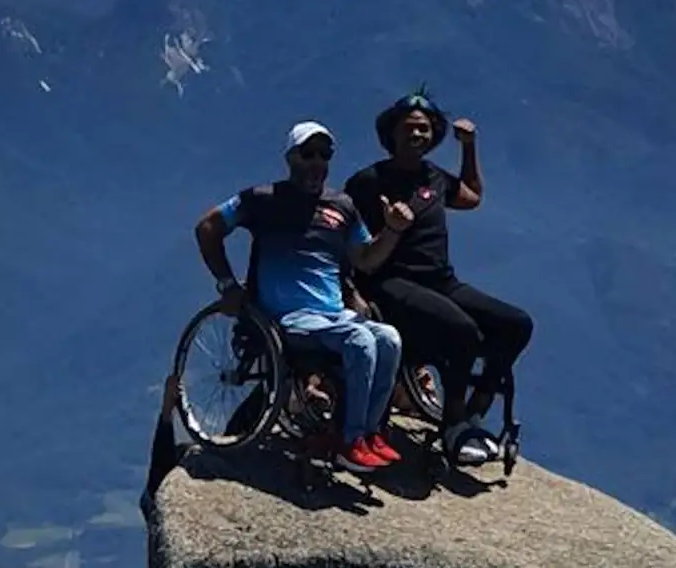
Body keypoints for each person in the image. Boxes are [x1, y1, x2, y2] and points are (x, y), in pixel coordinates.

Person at [194, 120, 416, 473]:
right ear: (290, 158)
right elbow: (208, 227)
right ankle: (349, 440)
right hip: (285, 319)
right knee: (360, 340)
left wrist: (393, 230)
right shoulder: (263, 199)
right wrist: (227, 285)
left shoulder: (342, 206)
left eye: (324, 155)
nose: (317, 162)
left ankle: (370, 433)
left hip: (331, 315)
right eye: (307, 154)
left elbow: (366, 259)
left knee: (388, 338)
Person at [345, 91, 534, 465]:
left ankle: (477, 408)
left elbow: (472, 196)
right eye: (411, 128)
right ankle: (453, 425)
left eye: (426, 129)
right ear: (392, 133)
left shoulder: (435, 177)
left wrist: (469, 148)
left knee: (516, 323)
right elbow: (345, 240)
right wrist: (351, 289)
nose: (419, 134)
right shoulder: (368, 182)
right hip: (390, 283)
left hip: (440, 280)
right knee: (462, 330)